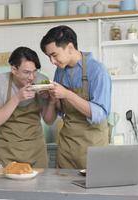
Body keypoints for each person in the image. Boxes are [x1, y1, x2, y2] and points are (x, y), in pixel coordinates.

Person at [40, 25, 112, 169]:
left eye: (54, 55)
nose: (52, 62)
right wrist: (53, 99)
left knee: (91, 190)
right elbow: (61, 111)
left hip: (92, 147)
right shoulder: (60, 72)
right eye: (49, 57)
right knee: (64, 189)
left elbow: (100, 114)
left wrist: (67, 94)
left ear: (70, 48)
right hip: (67, 146)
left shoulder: (97, 71)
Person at [0, 46, 55, 168]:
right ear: (14, 69)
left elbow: (49, 120)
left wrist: (52, 101)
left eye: (34, 71)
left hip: (36, 151)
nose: (32, 77)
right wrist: (17, 98)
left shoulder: (41, 80)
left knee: (40, 186)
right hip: (7, 152)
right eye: (26, 72)